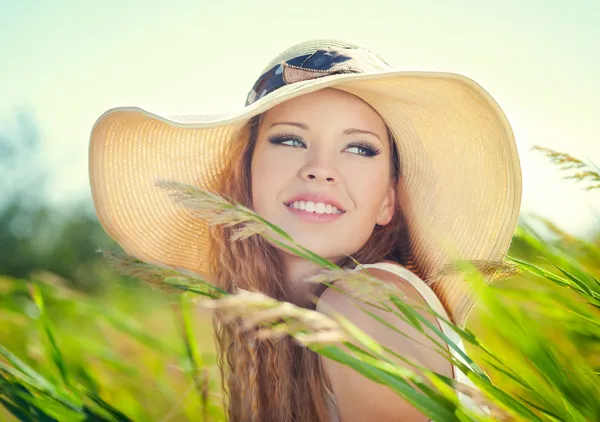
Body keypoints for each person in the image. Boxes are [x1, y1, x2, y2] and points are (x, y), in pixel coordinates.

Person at [88, 39, 522, 421]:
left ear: (389, 199)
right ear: (247, 175)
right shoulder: (280, 324)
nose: (320, 170)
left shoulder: (365, 307)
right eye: (291, 140)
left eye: (358, 148)